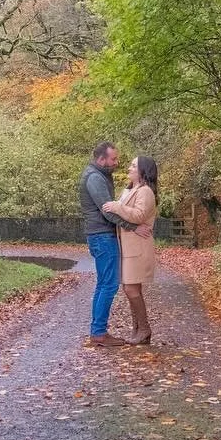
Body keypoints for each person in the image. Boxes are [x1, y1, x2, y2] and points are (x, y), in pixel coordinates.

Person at [78, 142, 130, 347]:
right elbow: (107, 211)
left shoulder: (98, 175)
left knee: (103, 284)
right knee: (109, 284)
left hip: (100, 235)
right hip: (102, 236)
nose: (116, 163)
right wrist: (132, 226)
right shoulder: (94, 178)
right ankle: (98, 332)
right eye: (113, 159)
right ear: (101, 159)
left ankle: (98, 330)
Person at [103, 155, 158, 345]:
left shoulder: (145, 192)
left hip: (138, 246)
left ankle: (144, 328)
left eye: (134, 166)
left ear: (143, 171)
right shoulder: (130, 190)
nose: (129, 168)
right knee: (132, 288)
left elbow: (140, 215)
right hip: (128, 246)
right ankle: (138, 329)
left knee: (131, 289)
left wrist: (118, 207)